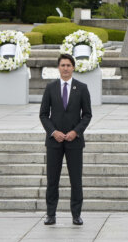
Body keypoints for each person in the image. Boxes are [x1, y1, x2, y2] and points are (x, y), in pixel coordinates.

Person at [39, 54, 92, 226]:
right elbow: (43, 114)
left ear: (73, 67)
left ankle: (76, 215)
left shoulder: (82, 88)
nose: (66, 68)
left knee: (76, 180)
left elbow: (87, 114)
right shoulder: (50, 87)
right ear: (58, 67)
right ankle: (50, 214)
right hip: (54, 142)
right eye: (63, 65)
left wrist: (75, 132)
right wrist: (53, 132)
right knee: (52, 180)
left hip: (74, 142)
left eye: (69, 65)